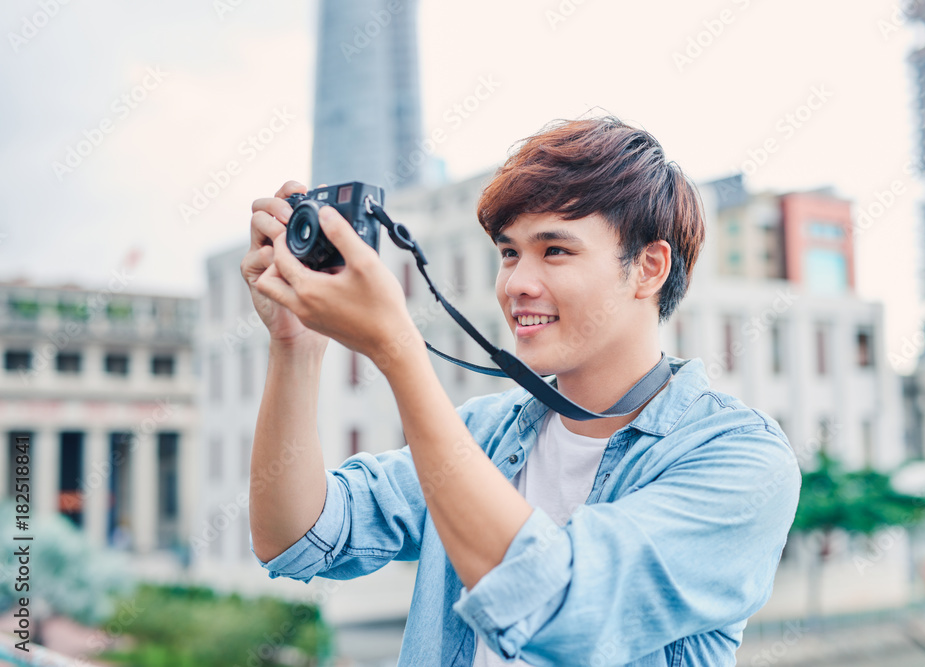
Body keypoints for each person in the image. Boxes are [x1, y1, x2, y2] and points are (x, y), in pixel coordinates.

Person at [241, 116, 801, 666]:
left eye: (554, 251)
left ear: (649, 268)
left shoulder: (741, 459)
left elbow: (558, 608)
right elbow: (296, 535)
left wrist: (397, 350)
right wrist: (295, 346)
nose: (517, 284)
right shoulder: (483, 432)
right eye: (509, 253)